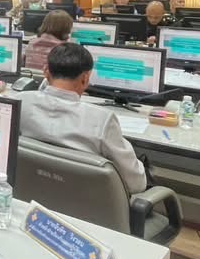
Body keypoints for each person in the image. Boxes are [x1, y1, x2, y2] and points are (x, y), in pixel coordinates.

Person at [18, 43, 147, 193]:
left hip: (30, 194)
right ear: (85, 78)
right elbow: (136, 184)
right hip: (88, 201)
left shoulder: (20, 101)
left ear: (46, 71)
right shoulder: (102, 120)